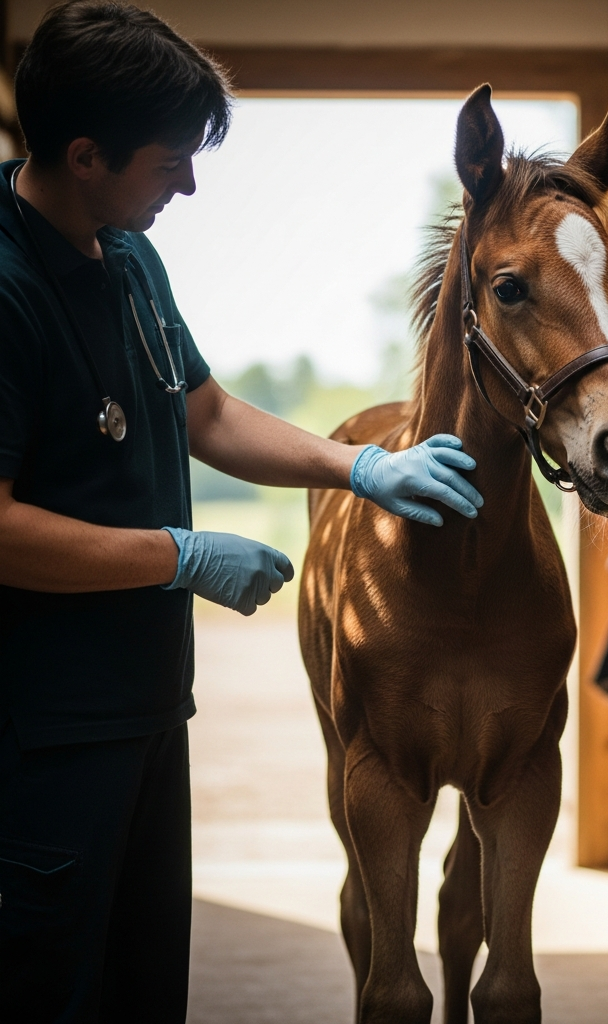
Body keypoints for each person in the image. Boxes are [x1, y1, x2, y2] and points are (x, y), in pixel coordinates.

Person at [0, 3, 483, 1021]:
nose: (188, 183)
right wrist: (176, 554)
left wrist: (357, 466)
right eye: (171, 160)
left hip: (145, 706)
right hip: (38, 730)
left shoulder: (125, 254)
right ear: (86, 154)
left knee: (141, 985)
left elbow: (205, 409)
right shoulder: (7, 291)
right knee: (46, 985)